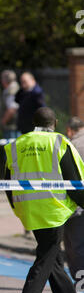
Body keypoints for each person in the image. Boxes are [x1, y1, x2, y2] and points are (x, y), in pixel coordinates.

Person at [4, 107, 84, 293]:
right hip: (53, 211)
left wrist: (17, 207)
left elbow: (7, 182)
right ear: (55, 123)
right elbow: (74, 181)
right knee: (44, 263)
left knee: (54, 262)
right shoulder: (59, 142)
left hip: (30, 211)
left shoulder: (17, 144)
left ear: (33, 122)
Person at [64, 117, 84, 281]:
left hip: (76, 205)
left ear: (70, 130)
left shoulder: (72, 146)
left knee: (75, 246)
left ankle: (80, 281)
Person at [0, 70, 20, 139]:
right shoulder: (14, 88)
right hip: (13, 126)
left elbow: (12, 109)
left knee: (12, 149)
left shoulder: (11, 90)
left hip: (11, 127)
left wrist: (3, 122)